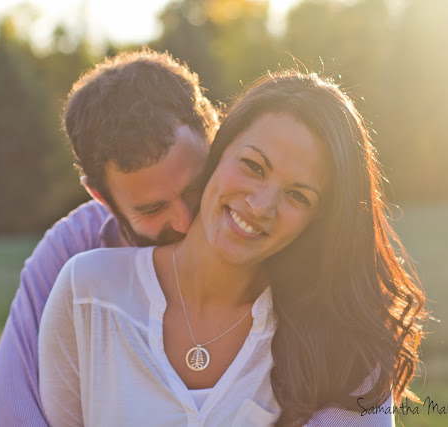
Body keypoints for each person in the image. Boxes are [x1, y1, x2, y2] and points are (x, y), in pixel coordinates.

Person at [38, 71, 427, 426]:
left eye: (297, 195)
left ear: (318, 219)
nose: (261, 206)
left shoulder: (342, 345)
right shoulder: (87, 293)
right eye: (253, 167)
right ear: (218, 151)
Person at [0, 48, 219, 426]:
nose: (187, 222)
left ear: (215, 139)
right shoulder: (66, 257)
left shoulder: (260, 223)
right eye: (153, 209)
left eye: (196, 189)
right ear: (101, 197)